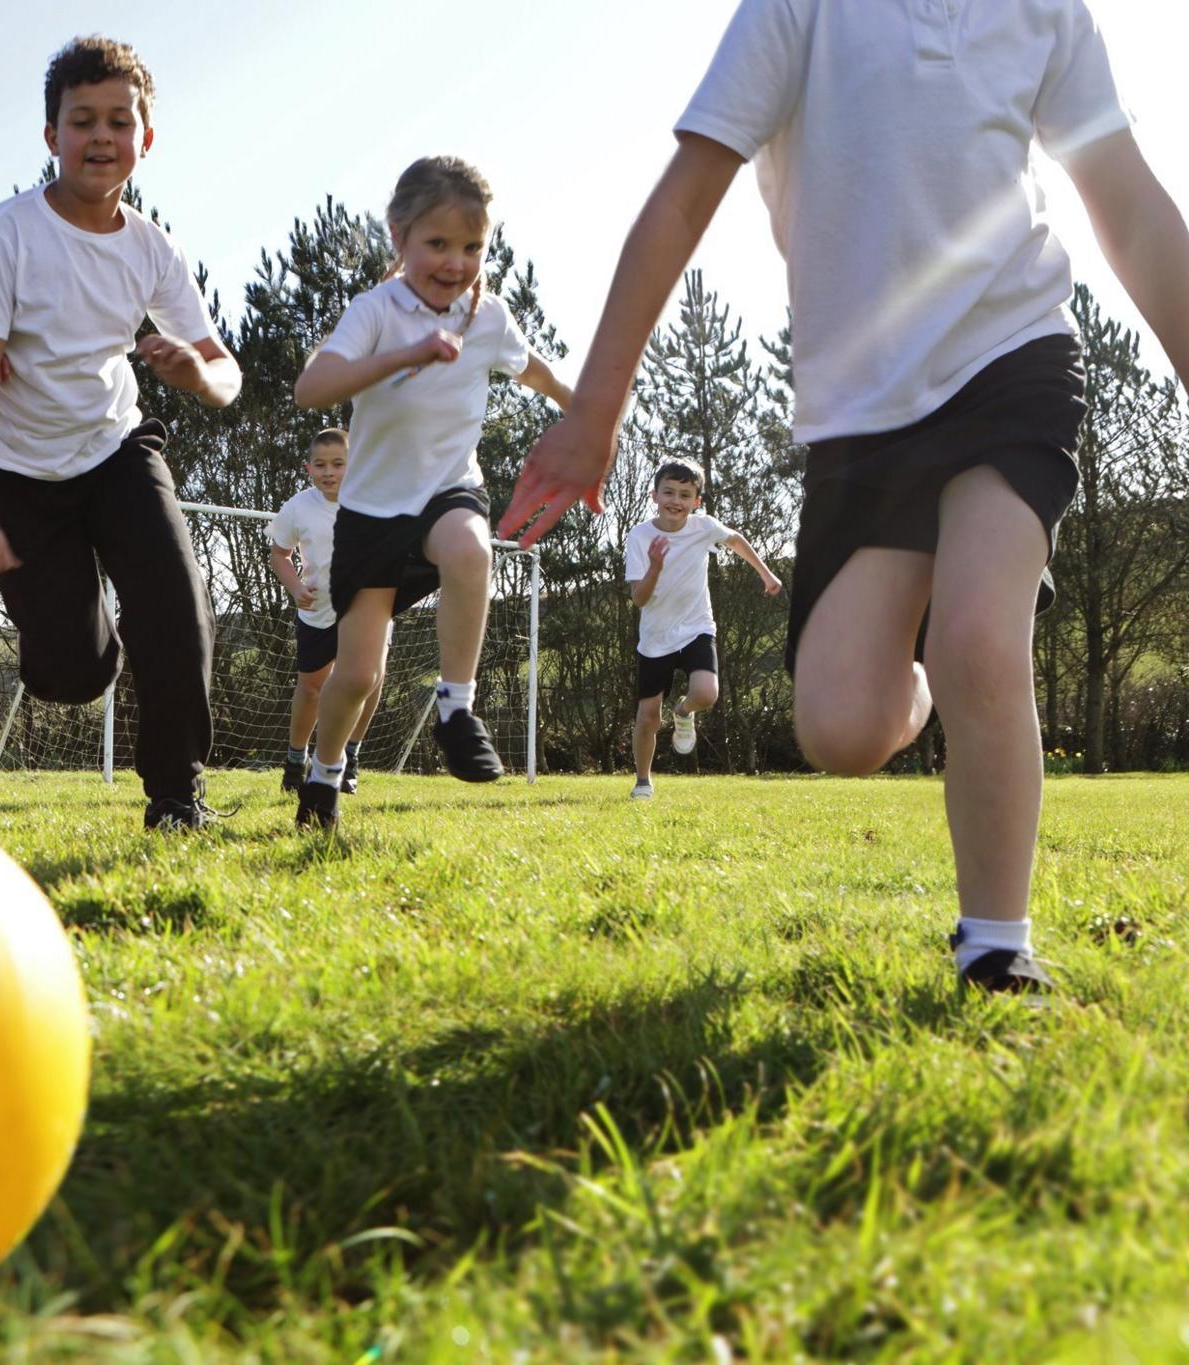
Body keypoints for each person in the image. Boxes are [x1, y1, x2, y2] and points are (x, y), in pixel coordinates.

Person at [499, 0, 1189, 992]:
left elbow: (1125, 203)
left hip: (1013, 365)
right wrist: (593, 408)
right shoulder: (795, 12)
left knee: (978, 644)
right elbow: (682, 199)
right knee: (842, 729)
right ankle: (921, 660)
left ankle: (995, 944)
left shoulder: (1043, 13)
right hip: (861, 420)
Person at [0, 35, 242, 831]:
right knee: (74, 674)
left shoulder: (153, 249)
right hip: (18, 472)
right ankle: (88, 642)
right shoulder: (6, 232)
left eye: (120, 121)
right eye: (83, 121)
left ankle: (177, 798)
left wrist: (195, 373)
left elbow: (227, 373)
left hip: (116, 448)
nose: (102, 137)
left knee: (179, 610)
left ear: (145, 138)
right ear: (52, 137)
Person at [292, 156, 572, 830]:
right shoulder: (377, 311)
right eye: (438, 244)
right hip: (371, 515)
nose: (455, 262)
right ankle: (323, 774)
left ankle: (456, 707)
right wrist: (402, 357)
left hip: (449, 490)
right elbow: (312, 388)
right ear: (399, 235)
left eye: (473, 247)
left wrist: (584, 410)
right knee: (356, 677)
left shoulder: (491, 315)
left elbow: (531, 369)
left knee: (472, 549)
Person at [623, 458, 781, 800]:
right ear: (654, 494)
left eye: (685, 494)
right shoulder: (639, 536)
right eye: (668, 492)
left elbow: (736, 540)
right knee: (648, 717)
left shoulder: (704, 527)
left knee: (707, 694)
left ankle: (682, 712)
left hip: (697, 627)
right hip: (655, 639)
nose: (675, 501)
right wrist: (655, 567)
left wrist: (765, 574)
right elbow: (639, 599)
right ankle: (642, 781)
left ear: (697, 502)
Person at [267, 428, 382, 795]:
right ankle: (295, 760)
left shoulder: (374, 502)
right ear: (309, 468)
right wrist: (296, 587)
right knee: (312, 689)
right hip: (317, 611)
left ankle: (349, 758)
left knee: (367, 682)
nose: (329, 472)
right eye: (320, 465)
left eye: (338, 464)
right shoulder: (298, 506)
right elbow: (279, 554)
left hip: (366, 609)